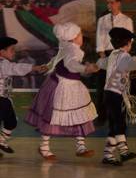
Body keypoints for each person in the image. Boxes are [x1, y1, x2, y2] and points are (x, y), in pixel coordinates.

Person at [25, 23, 100, 161]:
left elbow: (57, 59)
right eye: (80, 34)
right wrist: (85, 68)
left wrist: (48, 66)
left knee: (78, 113)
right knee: (54, 115)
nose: (81, 37)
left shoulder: (66, 45)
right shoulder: (73, 50)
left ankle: (80, 146)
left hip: (68, 85)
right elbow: (71, 64)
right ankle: (46, 147)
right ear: (74, 37)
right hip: (62, 86)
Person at [96, 27, 136, 166]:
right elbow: (131, 65)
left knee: (113, 125)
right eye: (130, 42)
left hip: (109, 93)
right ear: (127, 43)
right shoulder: (124, 56)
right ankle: (124, 151)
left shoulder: (113, 55)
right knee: (119, 123)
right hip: (115, 94)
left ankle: (108, 155)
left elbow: (102, 63)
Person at [0, 37, 47, 156]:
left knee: (11, 122)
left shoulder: (5, 63)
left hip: (4, 100)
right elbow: (15, 68)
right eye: (11, 50)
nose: (14, 52)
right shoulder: (3, 64)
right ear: (2, 51)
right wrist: (34, 67)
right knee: (11, 122)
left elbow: (15, 67)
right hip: (1, 100)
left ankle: (1, 140)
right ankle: (1, 140)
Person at [96, 0, 134, 123]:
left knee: (120, 85)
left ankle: (121, 115)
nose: (109, 5)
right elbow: (99, 39)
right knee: (103, 86)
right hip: (106, 54)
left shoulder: (127, 20)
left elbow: (129, 40)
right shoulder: (102, 20)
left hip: (121, 54)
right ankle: (102, 117)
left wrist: (122, 54)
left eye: (112, 2)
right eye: (108, 3)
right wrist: (102, 56)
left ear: (118, 3)